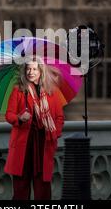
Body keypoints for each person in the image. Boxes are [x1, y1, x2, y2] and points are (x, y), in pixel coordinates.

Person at [4, 57, 65, 200]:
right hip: (23, 145)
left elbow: (59, 118)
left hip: (43, 144)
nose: (30, 72)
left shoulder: (52, 92)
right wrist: (19, 118)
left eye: (34, 69)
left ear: (41, 71)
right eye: (28, 69)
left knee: (43, 188)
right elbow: (9, 115)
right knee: (21, 187)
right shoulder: (19, 90)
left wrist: (54, 133)